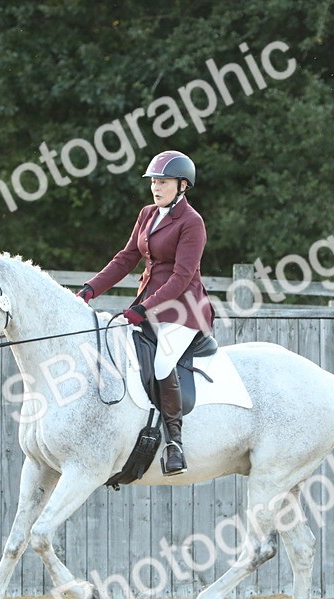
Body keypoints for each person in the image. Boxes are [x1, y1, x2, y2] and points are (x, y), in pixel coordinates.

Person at [76, 150, 214, 476]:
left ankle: (175, 443)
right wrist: (90, 290)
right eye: (154, 181)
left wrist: (142, 309)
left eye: (163, 182)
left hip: (183, 310)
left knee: (163, 361)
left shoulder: (192, 223)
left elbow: (181, 278)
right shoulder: (148, 214)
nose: (156, 187)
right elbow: (126, 259)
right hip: (148, 304)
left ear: (182, 185)